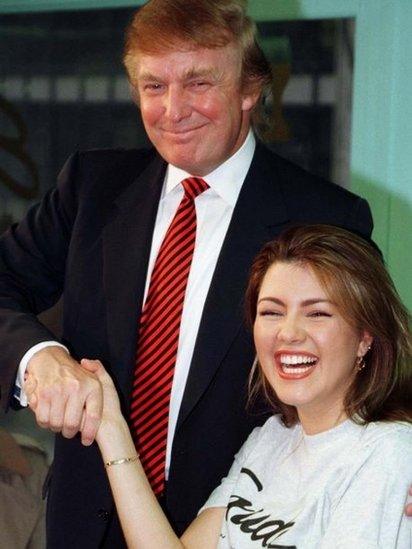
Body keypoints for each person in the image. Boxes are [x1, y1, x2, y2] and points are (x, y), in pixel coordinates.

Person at [0, 1, 375, 546]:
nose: (173, 110)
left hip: (236, 531)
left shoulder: (326, 216)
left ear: (249, 89)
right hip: (82, 530)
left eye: (198, 82)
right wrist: (38, 358)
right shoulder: (91, 188)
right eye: (153, 86)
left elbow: (372, 362)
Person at [74, 224, 412, 548]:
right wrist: (111, 427)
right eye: (271, 312)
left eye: (318, 314)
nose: (289, 333)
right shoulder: (271, 438)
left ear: (365, 337)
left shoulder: (388, 451)